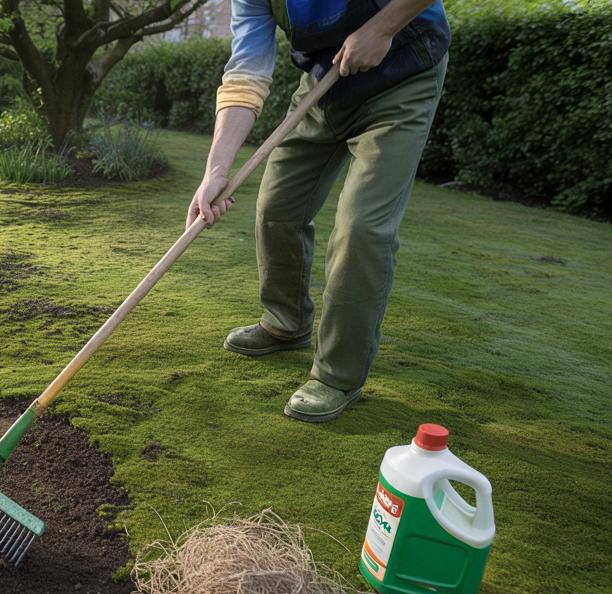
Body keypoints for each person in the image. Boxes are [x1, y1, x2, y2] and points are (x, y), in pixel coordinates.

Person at [189, 0, 449, 422]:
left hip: (404, 80)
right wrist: (216, 170)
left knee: (360, 229)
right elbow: (245, 75)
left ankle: (337, 375)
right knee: (277, 208)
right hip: (325, 85)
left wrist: (383, 28)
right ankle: (285, 322)